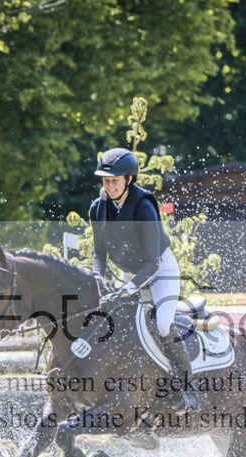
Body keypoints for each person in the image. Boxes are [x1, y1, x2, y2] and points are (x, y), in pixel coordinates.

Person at [89, 147, 200, 411]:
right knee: (108, 318)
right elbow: (98, 252)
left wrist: (126, 290)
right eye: (106, 180)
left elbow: (152, 263)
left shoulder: (144, 205)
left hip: (160, 270)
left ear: (129, 179)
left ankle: (187, 387)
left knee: (162, 324)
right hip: (130, 273)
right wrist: (97, 277)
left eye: (115, 180)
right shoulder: (98, 208)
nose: (110, 185)